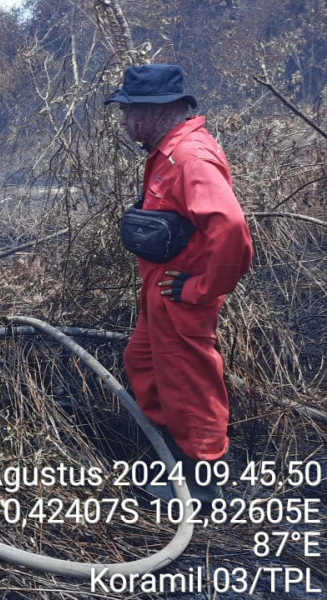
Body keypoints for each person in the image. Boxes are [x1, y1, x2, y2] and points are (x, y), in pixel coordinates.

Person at [105, 64, 253, 504]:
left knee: (190, 383)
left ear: (151, 111)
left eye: (127, 111)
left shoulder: (189, 158)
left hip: (181, 295)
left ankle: (202, 485)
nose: (124, 122)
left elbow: (231, 231)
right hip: (161, 291)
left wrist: (199, 289)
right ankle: (170, 457)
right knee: (145, 362)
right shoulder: (168, 152)